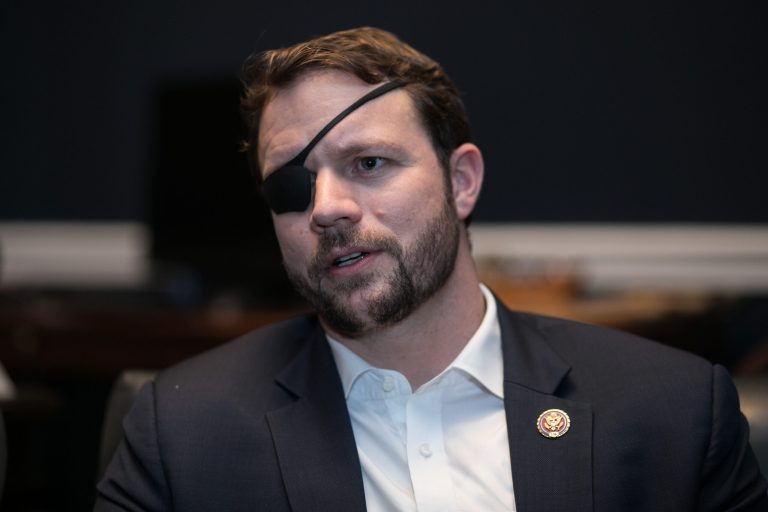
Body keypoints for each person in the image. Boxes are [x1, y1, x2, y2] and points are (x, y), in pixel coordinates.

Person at [95, 27, 767, 511]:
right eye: (292, 189)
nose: (326, 209)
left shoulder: (671, 415)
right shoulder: (184, 437)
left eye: (369, 164)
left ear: (462, 181)